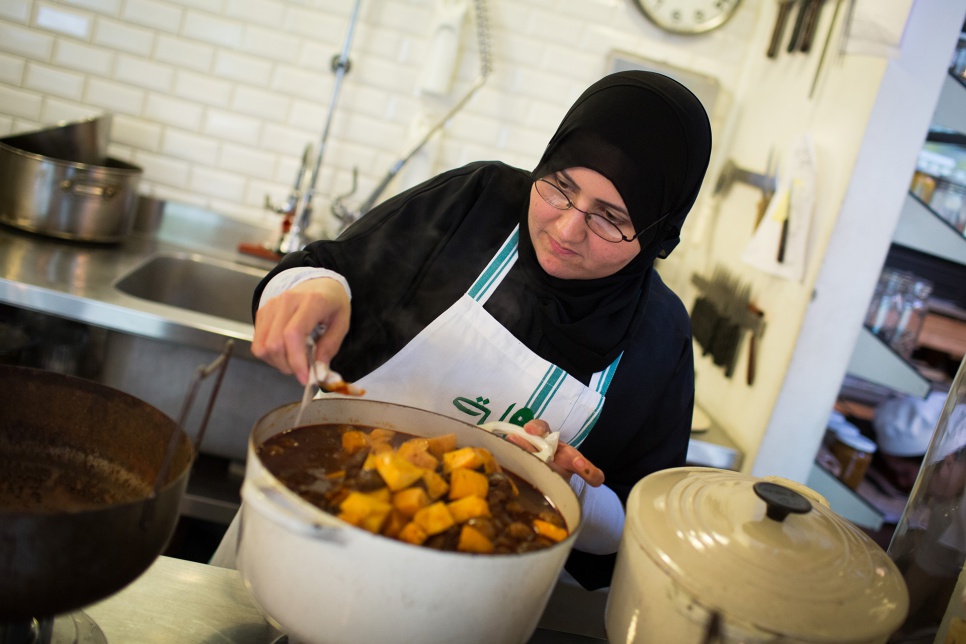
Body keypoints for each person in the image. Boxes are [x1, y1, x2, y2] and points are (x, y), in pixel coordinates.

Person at [212, 70, 712, 590]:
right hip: (301, 531)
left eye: (610, 218)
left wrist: (575, 493)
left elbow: (639, 527)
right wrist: (318, 287)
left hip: (460, 608)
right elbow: (320, 267)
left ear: (659, 233)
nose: (566, 230)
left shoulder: (661, 338)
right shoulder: (478, 203)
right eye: (560, 186)